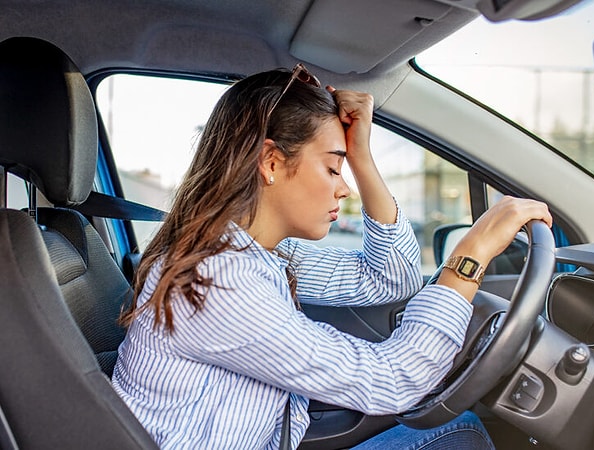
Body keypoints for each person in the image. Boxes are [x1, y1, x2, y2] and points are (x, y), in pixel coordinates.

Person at [112, 63, 552, 450]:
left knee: (463, 430)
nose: (344, 188)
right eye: (332, 168)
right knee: (463, 436)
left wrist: (359, 153)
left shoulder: (258, 252)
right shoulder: (216, 281)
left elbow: (390, 278)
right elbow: (394, 381)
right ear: (270, 162)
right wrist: (470, 255)